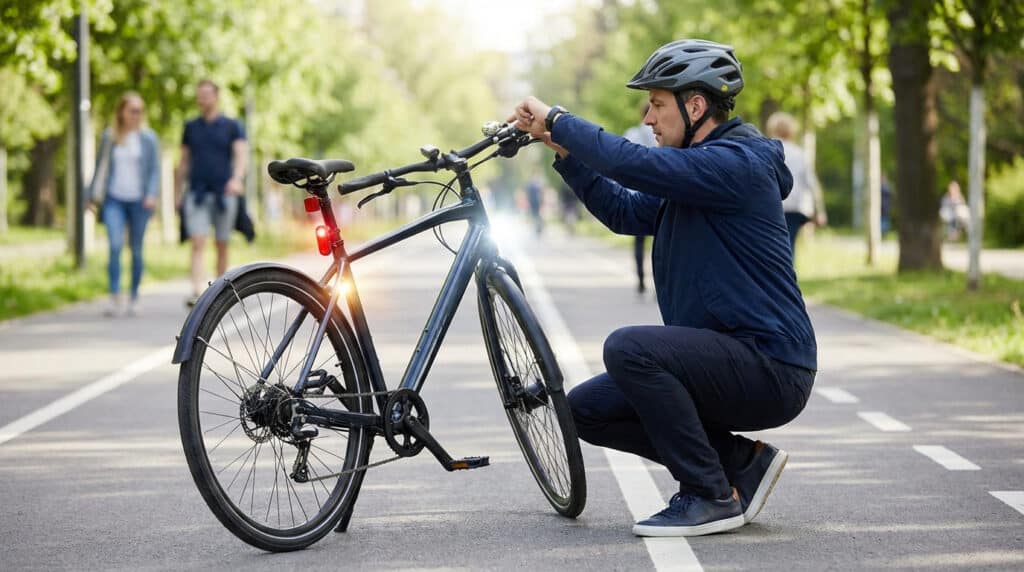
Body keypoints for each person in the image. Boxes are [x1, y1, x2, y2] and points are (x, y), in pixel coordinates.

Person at [512, 39, 817, 537]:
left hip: (770, 365)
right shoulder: (698, 176)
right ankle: (740, 464)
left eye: (656, 103)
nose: (646, 117)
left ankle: (710, 494)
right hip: (727, 359)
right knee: (586, 411)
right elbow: (625, 211)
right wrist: (566, 153)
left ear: (695, 106)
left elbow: (635, 164)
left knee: (629, 348)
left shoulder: (736, 165)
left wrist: (562, 119)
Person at [174, 79, 248, 307]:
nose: (202, 99)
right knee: (197, 242)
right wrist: (177, 193)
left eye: (206, 94)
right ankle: (197, 292)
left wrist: (236, 179)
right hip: (197, 193)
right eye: (199, 94)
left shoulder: (232, 125)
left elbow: (241, 155)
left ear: (216, 96)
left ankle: (217, 291)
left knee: (222, 243)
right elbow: (184, 162)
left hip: (224, 193)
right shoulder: (191, 127)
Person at [88, 92, 160, 317]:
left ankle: (134, 296)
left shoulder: (148, 138)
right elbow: (100, 168)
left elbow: (154, 171)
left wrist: (151, 194)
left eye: (140, 111)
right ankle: (114, 295)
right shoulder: (109, 136)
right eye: (133, 110)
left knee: (137, 250)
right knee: (115, 245)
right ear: (122, 112)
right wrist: (91, 195)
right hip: (114, 200)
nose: (137, 115)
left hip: (139, 201)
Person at [765, 112, 826, 253]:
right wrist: (820, 210)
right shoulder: (800, 153)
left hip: (774, 206)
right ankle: (788, 272)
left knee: (775, 247)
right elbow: (811, 183)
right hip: (796, 208)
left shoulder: (767, 151)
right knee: (789, 245)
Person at [623, 105, 657, 294]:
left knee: (638, 242)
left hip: (635, 194)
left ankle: (641, 279)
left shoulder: (632, 133)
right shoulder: (659, 133)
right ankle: (657, 283)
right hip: (657, 192)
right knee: (659, 245)